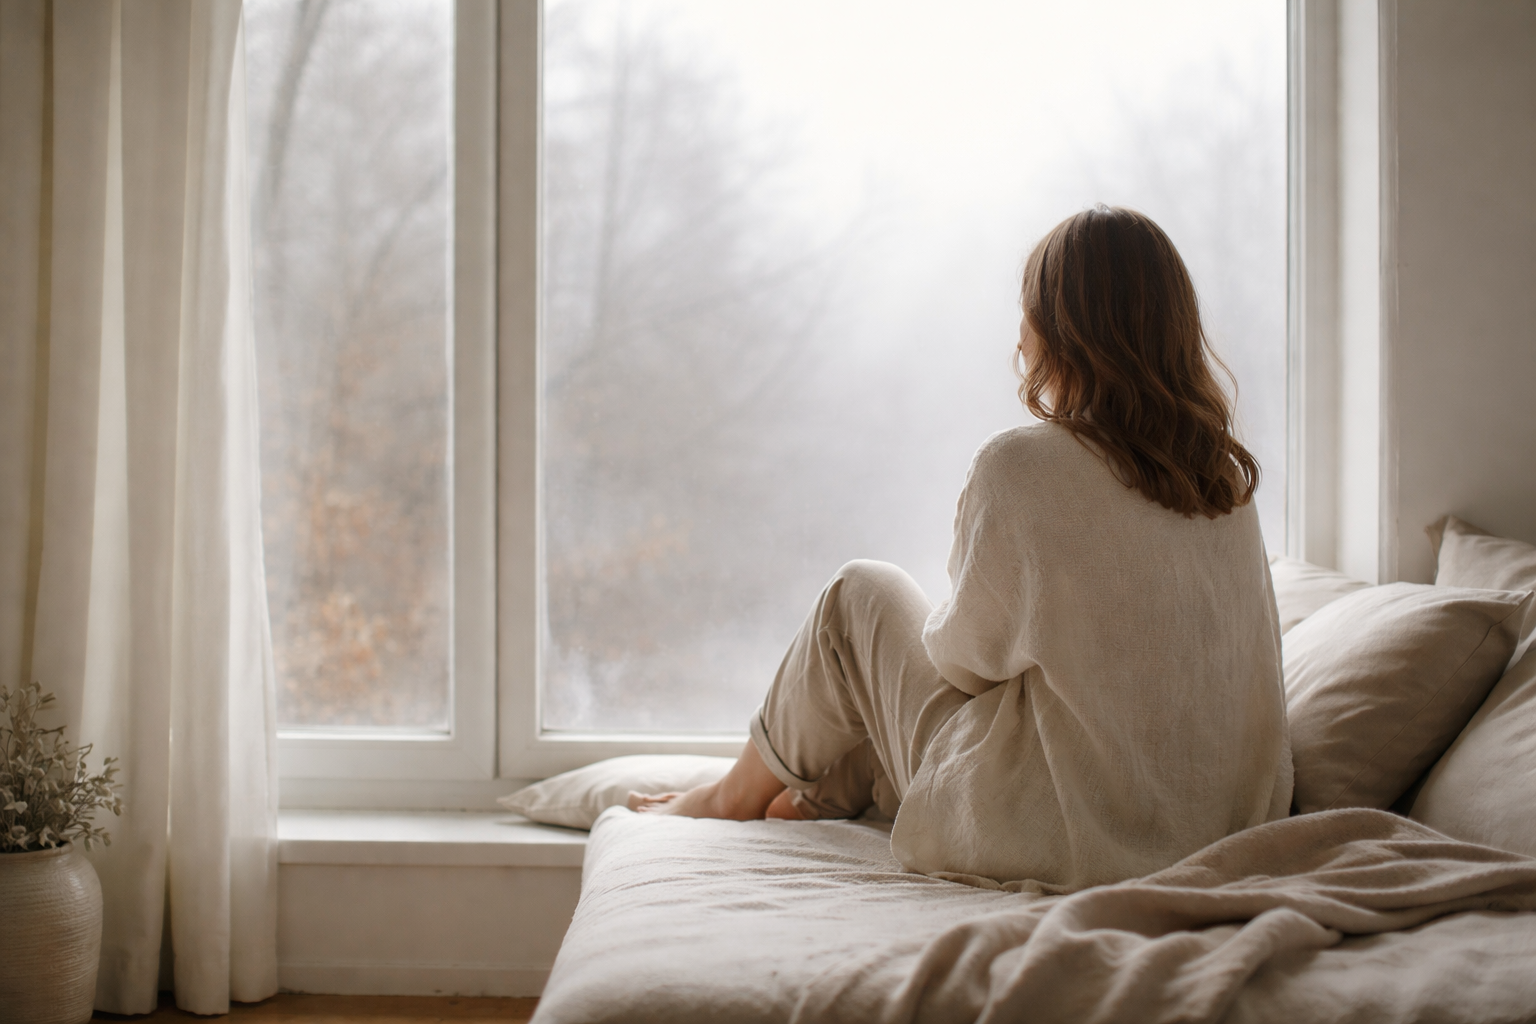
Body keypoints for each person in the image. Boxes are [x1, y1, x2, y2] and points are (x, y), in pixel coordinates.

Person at [628, 205, 1292, 892]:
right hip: (1213, 835)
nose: (1020, 334)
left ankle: (728, 798)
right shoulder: (1225, 485)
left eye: (1028, 309)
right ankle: (818, 797)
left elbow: (965, 662)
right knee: (937, 697)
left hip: (1063, 836)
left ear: (1061, 328)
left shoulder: (1024, 466)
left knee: (859, 597)